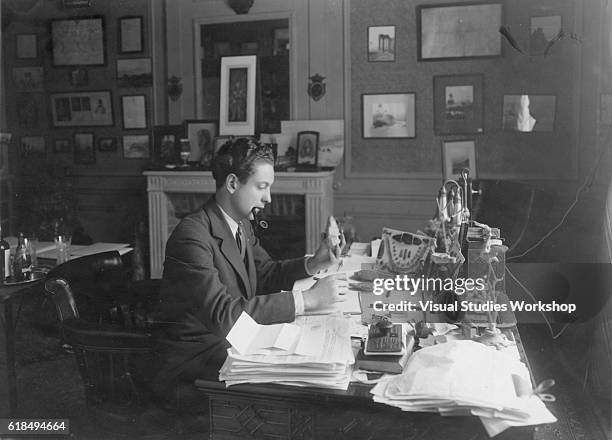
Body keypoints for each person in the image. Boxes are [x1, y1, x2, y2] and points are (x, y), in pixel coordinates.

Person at [152, 137, 344, 397]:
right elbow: (225, 316)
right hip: (194, 365)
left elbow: (264, 273)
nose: (268, 198)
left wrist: (312, 264)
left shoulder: (240, 224)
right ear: (232, 183)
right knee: (305, 388)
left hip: (229, 348)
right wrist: (306, 301)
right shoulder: (192, 236)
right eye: (261, 187)